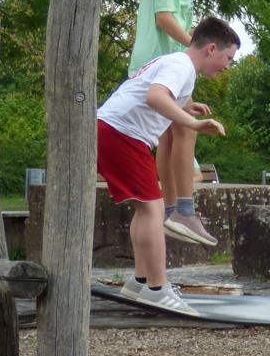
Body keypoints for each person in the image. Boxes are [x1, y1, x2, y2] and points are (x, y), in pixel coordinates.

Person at [96, 17, 239, 314]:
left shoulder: (176, 63)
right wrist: (193, 122)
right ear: (211, 49)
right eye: (228, 58)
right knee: (153, 209)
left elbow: (150, 92)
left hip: (115, 130)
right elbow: (155, 96)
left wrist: (184, 106)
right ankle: (157, 289)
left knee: (146, 208)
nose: (228, 65)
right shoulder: (181, 66)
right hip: (122, 133)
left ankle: (140, 282)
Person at [128, 0, 215, 247]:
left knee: (169, 135)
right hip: (163, 62)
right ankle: (184, 210)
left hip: (161, 61)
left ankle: (170, 210)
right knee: (185, 129)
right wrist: (195, 47)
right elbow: (164, 18)